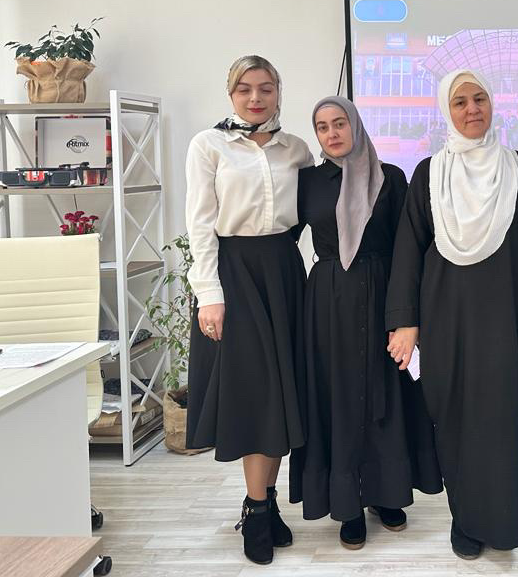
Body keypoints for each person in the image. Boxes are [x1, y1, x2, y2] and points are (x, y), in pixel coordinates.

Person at [385, 69, 518, 560]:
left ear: (492, 104)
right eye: (460, 102)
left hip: (501, 310)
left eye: (480, 98)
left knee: (499, 417)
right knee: (452, 415)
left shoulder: (517, 167)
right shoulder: (429, 172)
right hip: (443, 311)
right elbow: (409, 250)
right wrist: (406, 322)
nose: (472, 109)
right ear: (446, 111)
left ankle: (502, 523)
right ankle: (465, 519)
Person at [288, 96, 442, 550]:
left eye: (339, 123)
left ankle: (387, 493)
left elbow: (408, 248)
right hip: (327, 302)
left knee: (385, 394)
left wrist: (406, 316)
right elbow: (282, 235)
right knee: (337, 396)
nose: (332, 133)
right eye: (322, 127)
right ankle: (348, 505)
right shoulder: (307, 182)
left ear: (356, 125)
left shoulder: (390, 178)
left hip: (382, 296)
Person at [185, 55, 314, 565]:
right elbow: (200, 223)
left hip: (283, 273)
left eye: (265, 88)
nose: (255, 98)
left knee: (281, 393)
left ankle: (265, 501)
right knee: (257, 396)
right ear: (230, 94)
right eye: (245, 89)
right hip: (234, 276)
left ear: (279, 91)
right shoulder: (208, 145)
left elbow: (307, 216)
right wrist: (209, 294)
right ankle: (257, 510)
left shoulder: (296, 149)